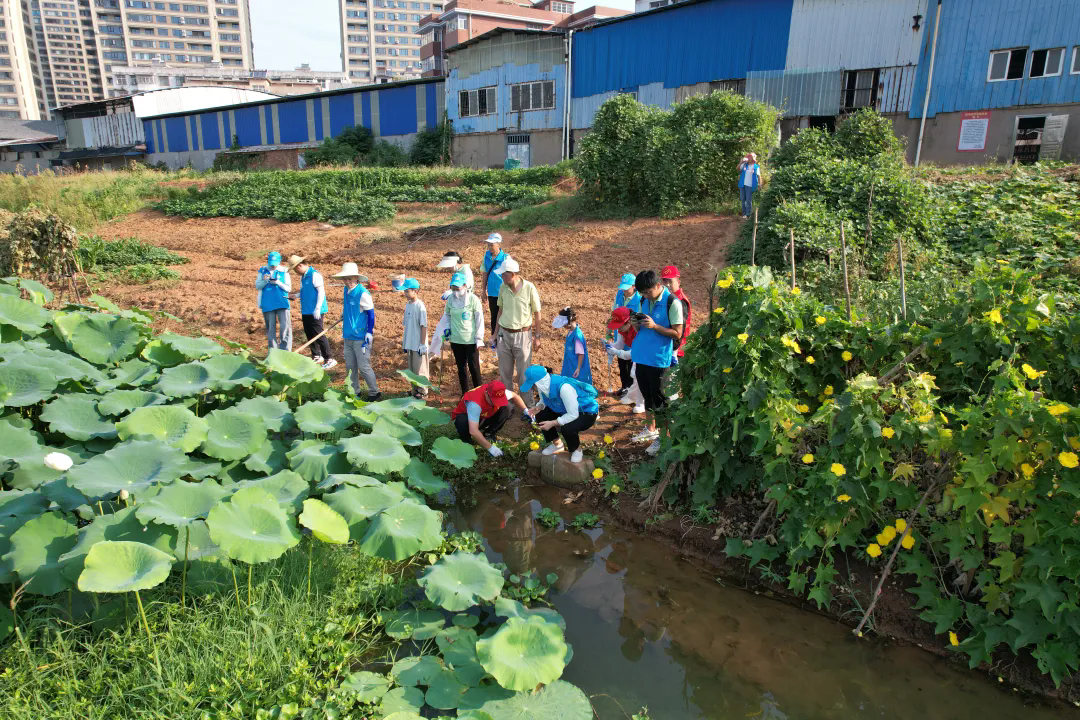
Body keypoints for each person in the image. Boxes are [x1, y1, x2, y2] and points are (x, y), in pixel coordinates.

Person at [630, 269, 684, 455]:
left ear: (658, 285)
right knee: (648, 397)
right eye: (642, 293)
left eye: (647, 292)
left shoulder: (672, 302)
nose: (645, 296)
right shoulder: (644, 300)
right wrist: (636, 324)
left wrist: (655, 326)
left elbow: (677, 333)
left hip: (659, 360)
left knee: (661, 401)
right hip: (641, 356)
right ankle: (651, 429)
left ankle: (663, 437)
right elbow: (641, 330)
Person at [520, 365, 599, 464]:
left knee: (567, 427)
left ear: (539, 382)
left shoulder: (564, 388)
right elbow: (544, 400)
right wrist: (539, 407)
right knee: (541, 415)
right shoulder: (543, 386)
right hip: (564, 408)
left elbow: (573, 415)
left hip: (586, 412)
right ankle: (557, 445)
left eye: (533, 385)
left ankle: (577, 450)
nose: (533, 388)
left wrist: (553, 423)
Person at [492, 255, 541, 395]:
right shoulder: (503, 287)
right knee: (505, 374)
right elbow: (500, 311)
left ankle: (527, 405)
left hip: (523, 335)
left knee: (523, 374)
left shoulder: (529, 288)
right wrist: (495, 334)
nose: (501, 277)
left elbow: (537, 313)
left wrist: (537, 336)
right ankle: (508, 404)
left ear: (512, 274)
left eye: (503, 274)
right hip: (504, 334)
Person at [430, 270, 485, 395]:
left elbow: (479, 320)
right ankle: (465, 394)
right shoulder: (450, 299)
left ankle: (480, 394)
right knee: (461, 368)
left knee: (474, 368)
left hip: (470, 340)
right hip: (456, 340)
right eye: (453, 288)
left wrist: (479, 338)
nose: (455, 291)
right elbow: (447, 316)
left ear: (465, 286)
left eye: (458, 288)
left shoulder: (473, 300)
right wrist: (447, 328)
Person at [334, 262, 381, 401]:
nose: (347, 282)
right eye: (345, 279)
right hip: (348, 335)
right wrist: (344, 314)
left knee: (364, 366)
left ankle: (374, 392)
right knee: (350, 366)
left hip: (360, 337)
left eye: (350, 278)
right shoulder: (346, 290)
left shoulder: (363, 294)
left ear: (356, 278)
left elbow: (371, 314)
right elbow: (349, 306)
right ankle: (355, 391)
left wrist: (369, 332)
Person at [452, 379, 530, 457]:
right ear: (486, 394)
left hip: (484, 415)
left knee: (507, 407)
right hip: (469, 420)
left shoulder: (498, 391)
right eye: (494, 401)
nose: (497, 404)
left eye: (499, 400)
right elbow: (473, 431)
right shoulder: (474, 404)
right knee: (461, 421)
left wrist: (526, 411)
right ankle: (466, 440)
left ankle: (489, 433)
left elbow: (515, 396)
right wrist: (491, 448)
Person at [289, 255, 336, 369]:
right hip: (306, 310)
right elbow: (305, 291)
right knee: (309, 333)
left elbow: (321, 292)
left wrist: (318, 308)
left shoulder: (315, 275)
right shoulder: (303, 277)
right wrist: (296, 296)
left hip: (315, 310)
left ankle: (329, 358)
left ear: (300, 266)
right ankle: (316, 355)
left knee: (318, 334)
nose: (295, 272)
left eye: (295, 270)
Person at [604, 306, 645, 415]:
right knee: (635, 374)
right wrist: (611, 346)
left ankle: (642, 403)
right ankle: (632, 396)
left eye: (620, 326)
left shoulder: (638, 330)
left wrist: (617, 352)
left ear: (629, 322)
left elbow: (634, 353)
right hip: (637, 355)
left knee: (639, 375)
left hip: (645, 354)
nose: (618, 329)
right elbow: (620, 344)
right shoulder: (622, 329)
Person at [256, 251, 292, 351]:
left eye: (275, 264)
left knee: (285, 327)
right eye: (271, 264)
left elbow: (288, 289)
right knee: (270, 328)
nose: (273, 266)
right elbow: (258, 286)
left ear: (279, 261)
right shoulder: (263, 270)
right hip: (267, 303)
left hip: (282, 302)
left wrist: (278, 283)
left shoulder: (284, 271)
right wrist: (265, 281)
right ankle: (273, 350)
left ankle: (286, 350)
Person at [611, 272, 640, 396]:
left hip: (632, 334)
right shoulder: (619, 294)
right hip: (620, 332)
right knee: (621, 362)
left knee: (631, 363)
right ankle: (624, 386)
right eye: (623, 287)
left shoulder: (639, 299)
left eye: (627, 288)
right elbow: (614, 310)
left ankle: (631, 390)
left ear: (634, 286)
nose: (624, 290)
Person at [401, 277, 429, 399]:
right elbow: (407, 326)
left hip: (418, 344)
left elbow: (424, 326)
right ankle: (414, 389)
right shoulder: (408, 305)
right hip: (410, 343)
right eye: (405, 291)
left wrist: (422, 344)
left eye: (407, 291)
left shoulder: (420, 306)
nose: (405, 293)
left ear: (415, 291)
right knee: (412, 369)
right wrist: (405, 343)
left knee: (420, 369)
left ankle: (423, 391)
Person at [553, 306, 592, 385]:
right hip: (570, 363)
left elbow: (581, 353)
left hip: (575, 366)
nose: (563, 326)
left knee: (575, 384)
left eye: (564, 324)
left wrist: (578, 368)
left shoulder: (577, 336)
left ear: (569, 323)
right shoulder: (572, 331)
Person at [481, 232, 507, 350]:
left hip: (504, 293)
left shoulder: (505, 258)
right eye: (488, 244)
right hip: (492, 293)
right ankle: (495, 340)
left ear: (499, 244)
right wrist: (483, 290)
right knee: (494, 317)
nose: (490, 247)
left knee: (504, 317)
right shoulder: (486, 256)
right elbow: (485, 273)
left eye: (492, 244)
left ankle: (504, 341)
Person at [737, 152, 761, 219]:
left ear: (753, 158)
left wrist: (760, 184)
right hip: (742, 185)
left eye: (750, 156)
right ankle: (744, 214)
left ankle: (748, 215)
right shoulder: (744, 165)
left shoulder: (756, 167)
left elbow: (759, 176)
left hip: (750, 186)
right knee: (743, 199)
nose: (748, 157)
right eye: (748, 156)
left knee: (748, 200)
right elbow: (738, 168)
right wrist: (741, 162)